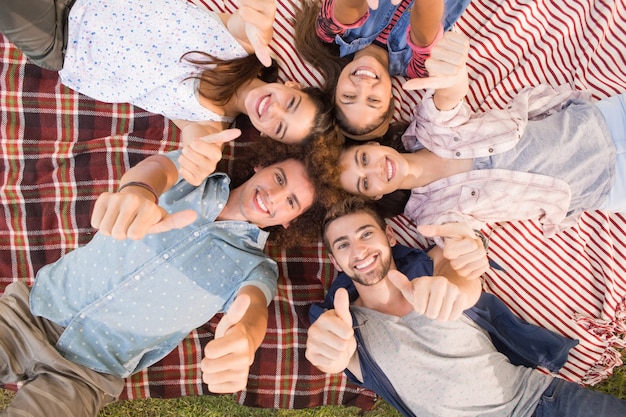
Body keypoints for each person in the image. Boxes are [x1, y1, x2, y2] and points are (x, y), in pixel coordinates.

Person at [0, 132, 337, 417]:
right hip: (31, 312)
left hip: (86, 374)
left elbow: (252, 309)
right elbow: (156, 169)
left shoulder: (257, 267)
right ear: (261, 165)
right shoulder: (195, 176)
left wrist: (244, 340)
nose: (274, 196)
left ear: (290, 221)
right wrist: (137, 192)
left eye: (291, 201)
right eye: (279, 178)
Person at [306, 196, 626, 417]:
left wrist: (453, 289)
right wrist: (331, 354)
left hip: (544, 403)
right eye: (343, 244)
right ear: (336, 260)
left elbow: (462, 279)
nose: (359, 250)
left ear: (389, 236)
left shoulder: (433, 265)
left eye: (366, 234)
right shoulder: (344, 322)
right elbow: (331, 349)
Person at [0, 0, 335, 183]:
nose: (272, 111)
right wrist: (255, 15)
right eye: (290, 104)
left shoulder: (211, 125)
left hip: (62, 42)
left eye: (279, 126)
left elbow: (195, 142)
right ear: (291, 85)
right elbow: (247, 21)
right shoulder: (245, 45)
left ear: (267, 135)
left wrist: (196, 159)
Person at [334, 31, 626, 238]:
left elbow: (450, 94)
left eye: (363, 158)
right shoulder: (431, 215)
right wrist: (466, 250)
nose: (375, 169)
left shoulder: (426, 129)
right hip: (608, 186)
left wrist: (453, 73)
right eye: (365, 182)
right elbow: (459, 242)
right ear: (376, 195)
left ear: (373, 144)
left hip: (603, 122)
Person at [294, 0, 471, 140]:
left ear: (336, 87)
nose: (363, 87)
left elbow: (348, 9)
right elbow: (425, 35)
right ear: (390, 97)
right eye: (373, 99)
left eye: (348, 96)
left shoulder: (331, 33)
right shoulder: (416, 68)